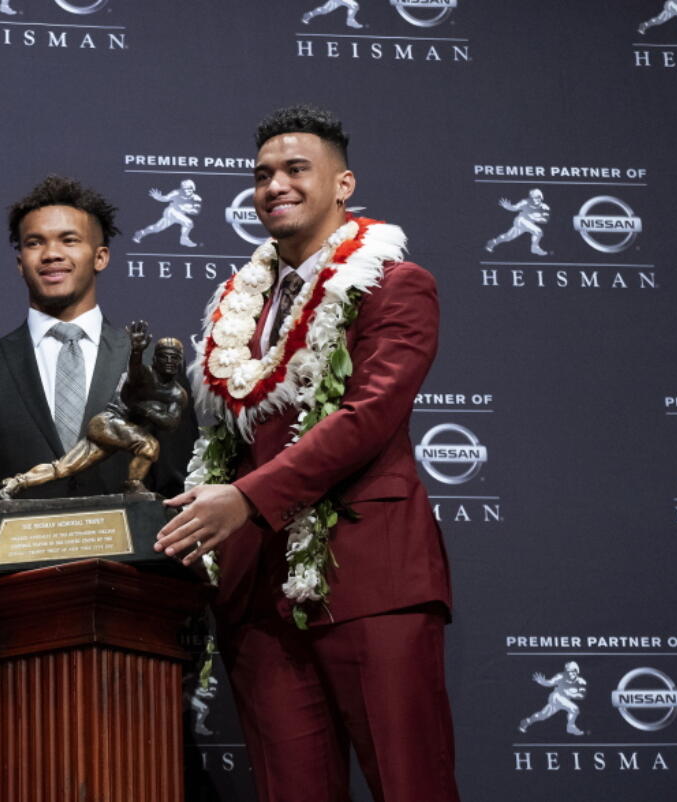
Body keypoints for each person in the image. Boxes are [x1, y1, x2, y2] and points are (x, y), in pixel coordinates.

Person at [156, 105, 458, 801]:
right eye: (262, 174)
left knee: (411, 784)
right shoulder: (238, 305)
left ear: (343, 183)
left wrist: (246, 499)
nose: (275, 185)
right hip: (256, 597)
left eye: (297, 169)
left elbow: (367, 417)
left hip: (371, 579)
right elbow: (223, 442)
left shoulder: (393, 283)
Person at [0, 175, 194, 524]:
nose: (52, 254)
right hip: (16, 574)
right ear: (19, 262)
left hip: (132, 574)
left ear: (100, 257)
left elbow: (180, 485)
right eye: (34, 243)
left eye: (69, 240)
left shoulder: (155, 365)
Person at [0, 323, 188, 498]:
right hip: (107, 423)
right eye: (165, 357)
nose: (170, 362)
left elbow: (170, 423)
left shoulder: (177, 394)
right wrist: (136, 352)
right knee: (149, 445)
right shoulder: (145, 376)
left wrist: (145, 410)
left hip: (117, 434)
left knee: (63, 468)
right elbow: (135, 373)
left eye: (175, 358)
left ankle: (17, 483)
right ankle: (133, 485)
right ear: (155, 359)